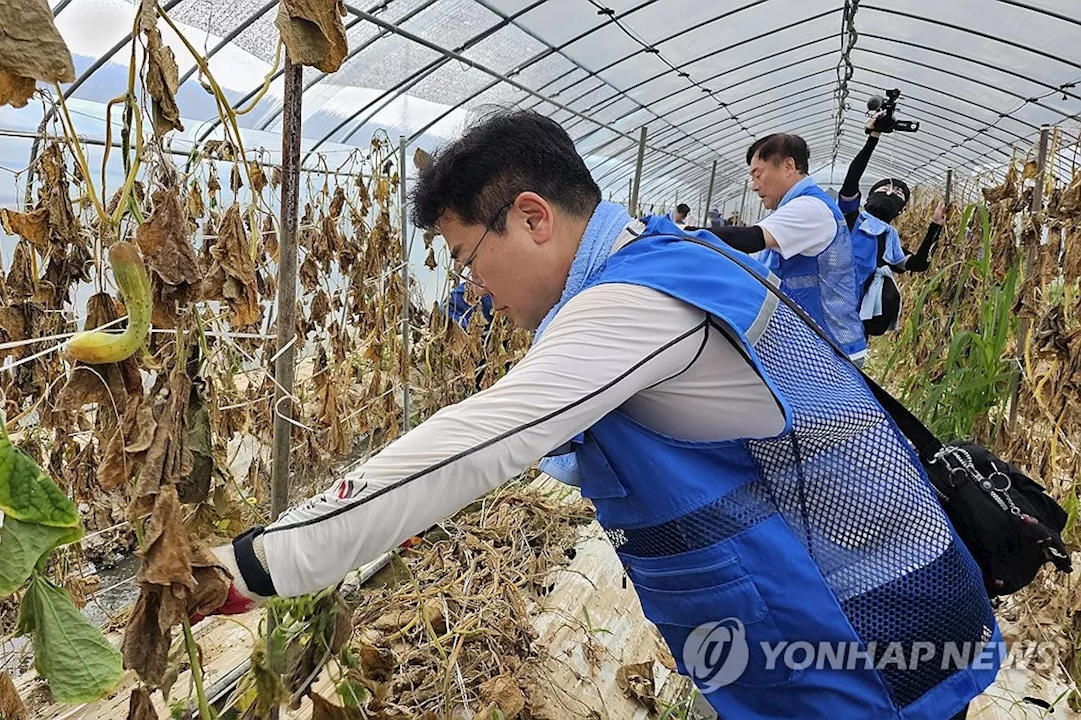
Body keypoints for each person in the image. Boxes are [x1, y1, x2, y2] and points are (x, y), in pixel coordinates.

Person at [202, 110, 995, 719]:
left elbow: (477, 440)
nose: (475, 287)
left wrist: (255, 566)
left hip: (865, 626)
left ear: (533, 217)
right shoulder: (661, 257)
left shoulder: (628, 304)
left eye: (472, 259)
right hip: (871, 588)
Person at [700, 134, 867, 364]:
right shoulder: (793, 207)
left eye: (757, 174)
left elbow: (751, 239)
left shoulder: (810, 208)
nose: (754, 186)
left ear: (788, 166)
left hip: (827, 352)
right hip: (807, 344)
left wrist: (681, 233)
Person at [840, 116, 947, 336]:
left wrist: (935, 226)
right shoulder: (850, 218)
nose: (890, 193)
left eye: (898, 193)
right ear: (867, 199)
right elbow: (852, 180)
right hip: (830, 305)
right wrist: (873, 138)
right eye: (884, 189)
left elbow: (918, 263)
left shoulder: (889, 239)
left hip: (856, 322)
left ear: (901, 210)